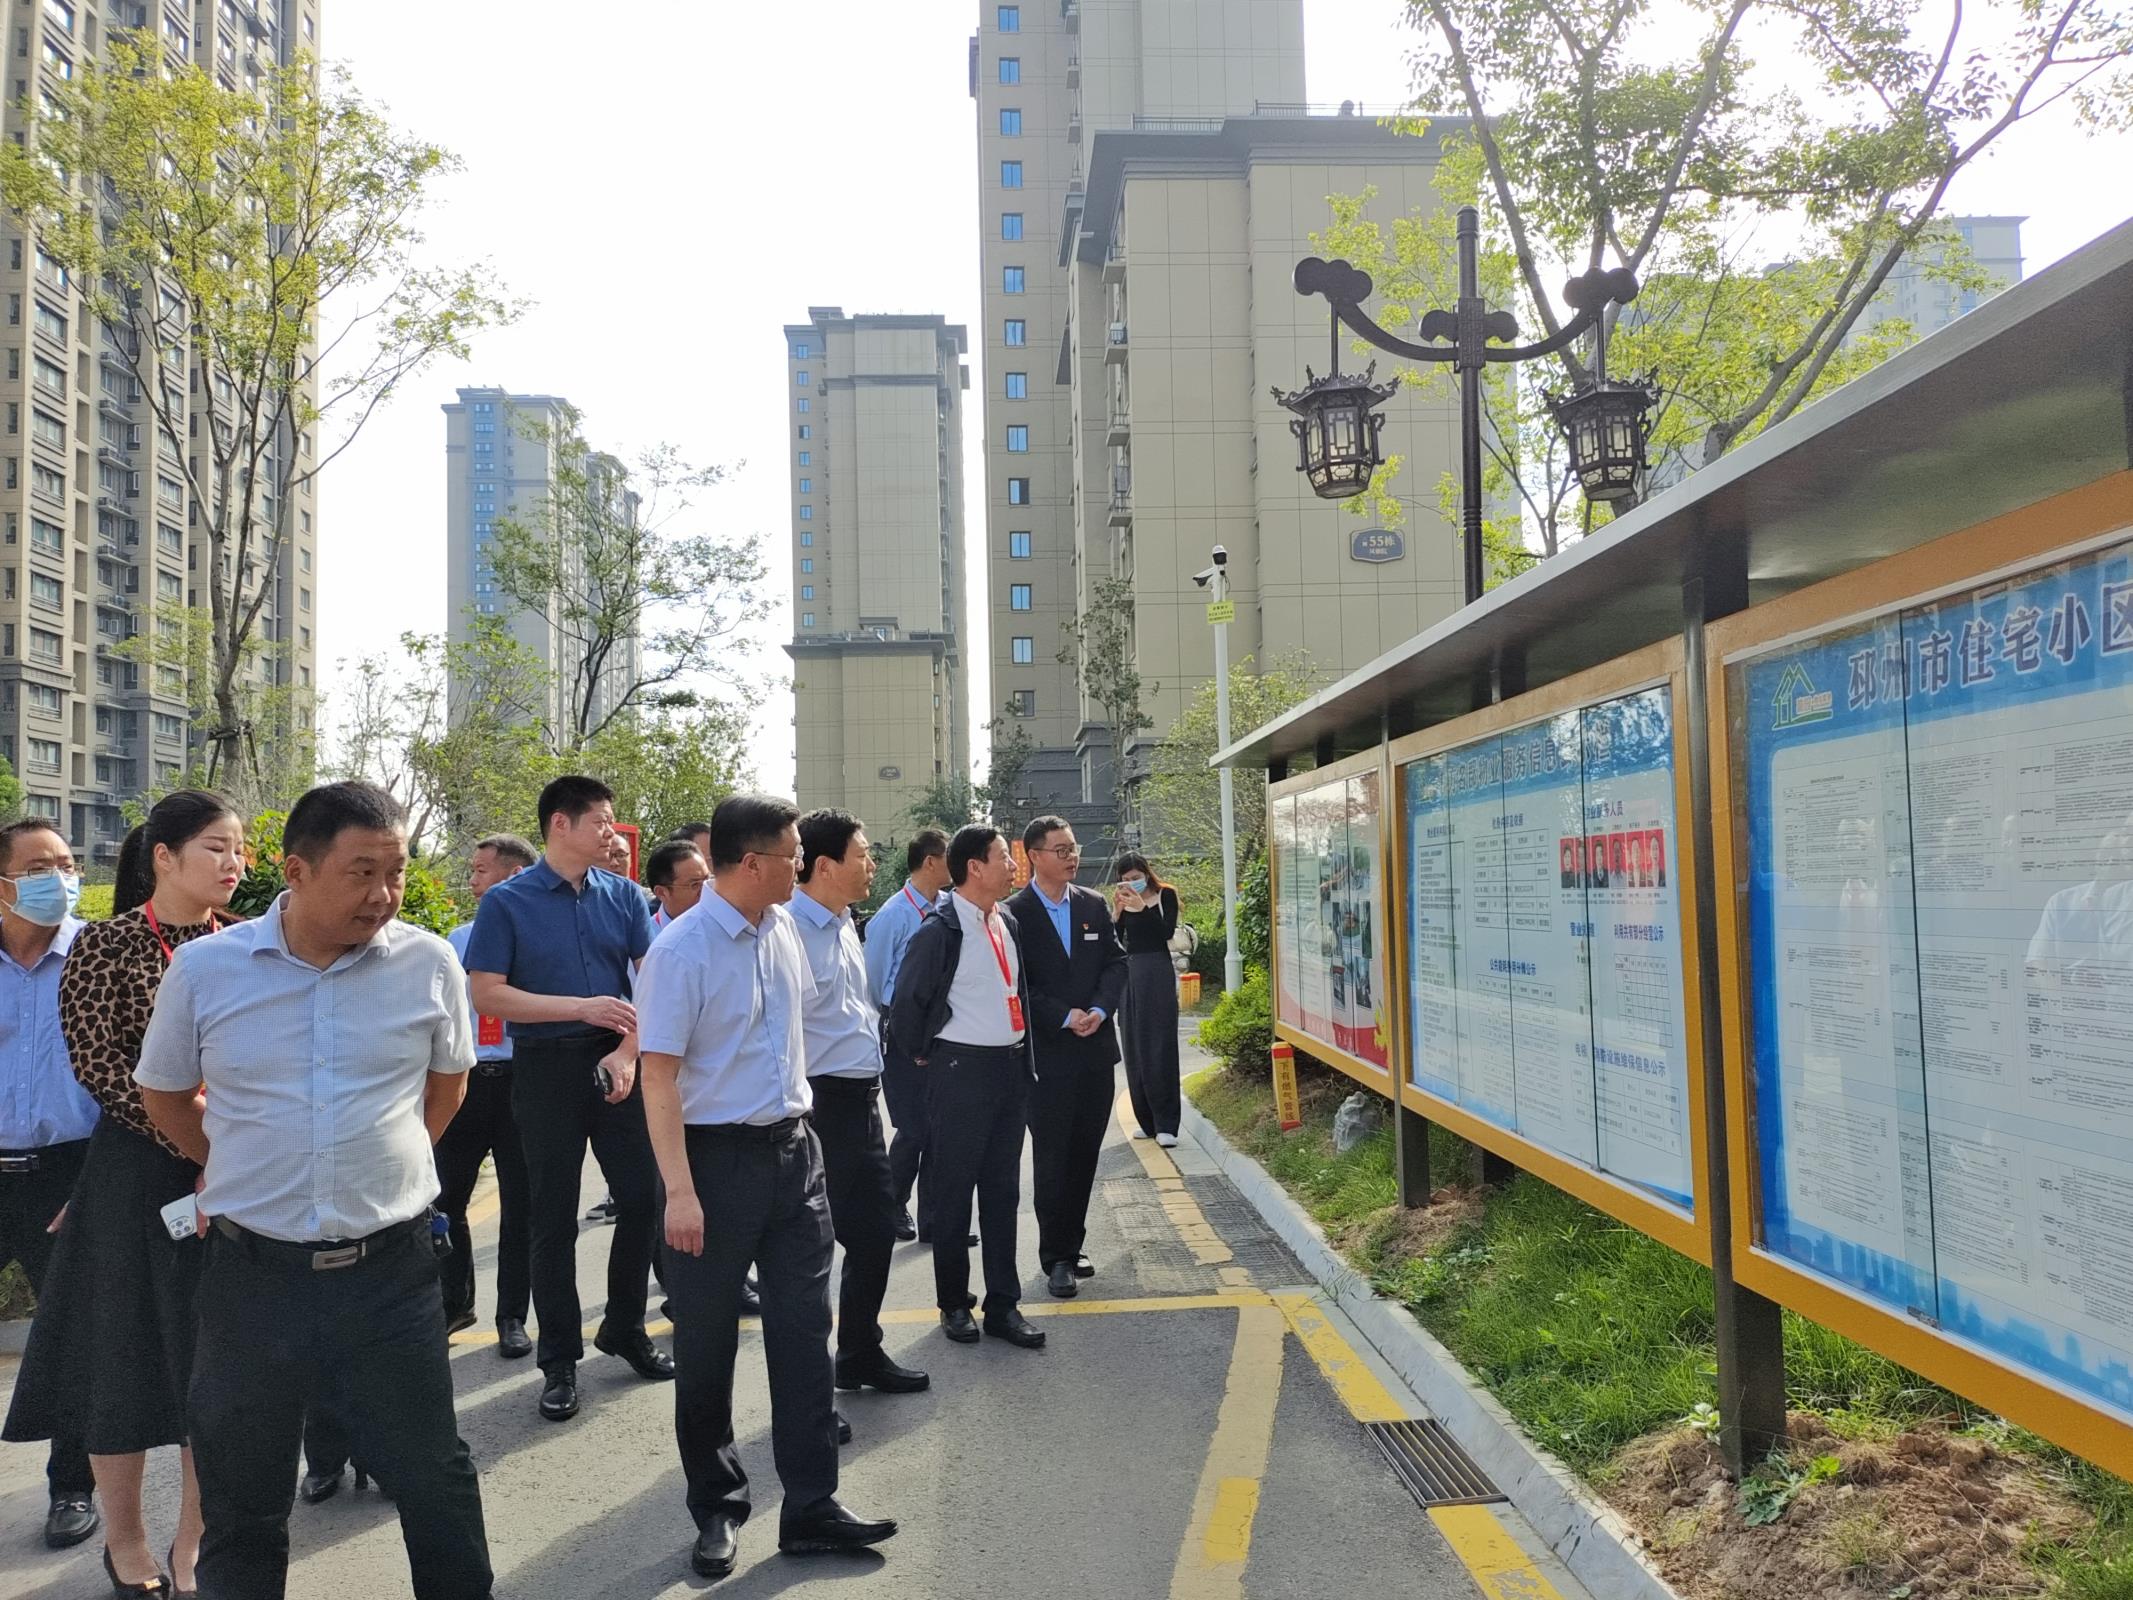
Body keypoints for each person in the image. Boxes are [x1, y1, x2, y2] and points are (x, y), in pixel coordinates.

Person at [134, 782, 490, 1600]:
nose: (384, 894)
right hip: (253, 1279)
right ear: (295, 870)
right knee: (246, 1499)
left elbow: (447, 1089)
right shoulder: (206, 969)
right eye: (362, 872)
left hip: (389, 1276)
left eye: (395, 873)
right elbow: (164, 1096)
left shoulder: (427, 962)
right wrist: (239, 1165)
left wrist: (380, 1164)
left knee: (433, 1479)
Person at [638, 794, 897, 1579]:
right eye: (790, 855)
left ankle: (812, 1505)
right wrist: (679, 1193)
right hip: (712, 1168)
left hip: (795, 1155)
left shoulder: (785, 927)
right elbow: (659, 1080)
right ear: (751, 863)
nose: (802, 865)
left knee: (802, 1336)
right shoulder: (680, 952)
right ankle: (716, 1507)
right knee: (709, 1345)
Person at [5, 794, 244, 1596]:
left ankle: (195, 1540)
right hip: (138, 1173)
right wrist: (203, 1144)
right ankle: (126, 1540)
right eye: (218, 848)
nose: (234, 864)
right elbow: (105, 1071)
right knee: (123, 1364)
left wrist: (230, 1157)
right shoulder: (104, 946)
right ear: (164, 857)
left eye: (240, 850)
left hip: (233, 1177)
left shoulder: (245, 948)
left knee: (214, 1369)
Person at [465, 774, 672, 1423]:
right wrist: (579, 1006)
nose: (611, 833)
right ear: (561, 824)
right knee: (551, 1216)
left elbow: (656, 986)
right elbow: (486, 994)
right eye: (601, 822)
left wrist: (627, 1053)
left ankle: (624, 1327)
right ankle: (558, 1360)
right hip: (545, 1066)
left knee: (645, 1197)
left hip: (616, 1061)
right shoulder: (508, 903)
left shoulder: (625, 898)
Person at [887, 825, 1045, 1350]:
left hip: (1009, 1071)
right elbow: (907, 1007)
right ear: (974, 867)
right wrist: (929, 1059)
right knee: (953, 1195)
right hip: (959, 1074)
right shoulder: (940, 930)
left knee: (1003, 1193)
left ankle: (1004, 1303)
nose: (1013, 864)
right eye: (1004, 856)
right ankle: (955, 1303)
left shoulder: (1008, 923)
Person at [792, 809, 929, 1399]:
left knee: (874, 1234)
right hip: (817, 1107)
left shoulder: (846, 921)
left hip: (861, 1102)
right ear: (825, 866)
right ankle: (811, 1389)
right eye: (864, 854)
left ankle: (858, 1353)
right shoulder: (788, 931)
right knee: (813, 1250)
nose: (873, 864)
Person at [0, 820, 102, 1556]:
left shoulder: (98, 955)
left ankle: (73, 1486)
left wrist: (99, 1184)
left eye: (67, 864)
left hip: (72, 1170)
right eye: (40, 866)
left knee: (75, 1340)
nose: (60, 878)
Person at [1009, 817, 1127, 1298]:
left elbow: (1116, 963)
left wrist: (1099, 1009)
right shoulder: (1013, 914)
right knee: (1053, 1158)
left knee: (1083, 1156)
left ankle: (1073, 1245)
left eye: (1073, 848)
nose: (1071, 857)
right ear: (1033, 856)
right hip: (1049, 1058)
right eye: (1060, 850)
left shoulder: (1093, 905)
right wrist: (1064, 1015)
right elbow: (1017, 984)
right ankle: (1054, 1256)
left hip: (1095, 1053)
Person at [862, 828, 952, 1244]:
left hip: (944, 1032)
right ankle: (892, 1204)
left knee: (941, 1128)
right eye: (950, 857)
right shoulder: (892, 916)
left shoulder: (949, 907)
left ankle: (935, 1219)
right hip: (902, 1030)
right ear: (930, 861)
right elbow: (875, 981)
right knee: (915, 1129)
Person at [1113, 853, 1184, 1148]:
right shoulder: (1123, 900)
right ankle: (1146, 1120)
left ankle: (1166, 1121)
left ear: (1146, 873)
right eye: (1125, 879)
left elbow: (1163, 933)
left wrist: (1143, 909)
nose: (1131, 883)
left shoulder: (1164, 894)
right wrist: (1117, 915)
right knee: (1134, 1043)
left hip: (1156, 968)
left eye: (1135, 877)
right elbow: (1116, 940)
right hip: (1130, 971)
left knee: (1159, 1043)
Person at [647, 837, 710, 932]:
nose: (706, 890)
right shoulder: (646, 939)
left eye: (707, 880)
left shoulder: (722, 928)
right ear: (662, 893)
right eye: (695, 885)